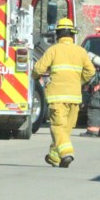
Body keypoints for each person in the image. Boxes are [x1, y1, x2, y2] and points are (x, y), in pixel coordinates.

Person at [32, 18, 95, 168]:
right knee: (65, 129)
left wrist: (34, 77)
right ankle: (54, 157)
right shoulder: (80, 51)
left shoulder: (53, 50)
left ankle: (67, 153)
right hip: (74, 97)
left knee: (57, 127)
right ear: (72, 34)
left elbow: (38, 69)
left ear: (58, 34)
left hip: (57, 97)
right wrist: (78, 82)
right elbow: (91, 71)